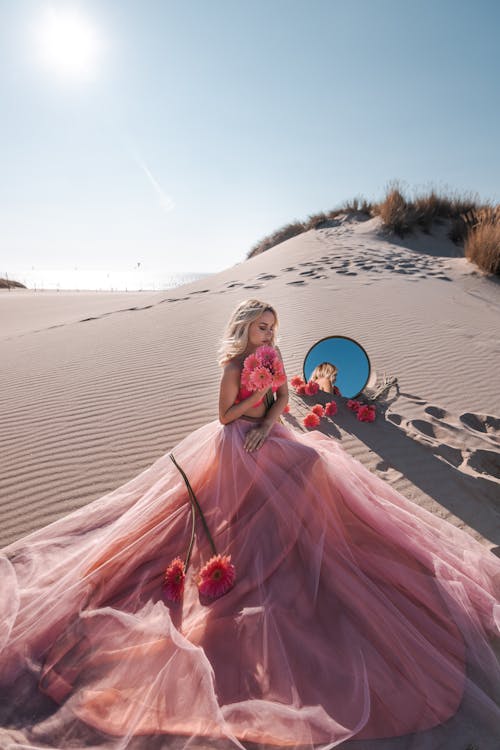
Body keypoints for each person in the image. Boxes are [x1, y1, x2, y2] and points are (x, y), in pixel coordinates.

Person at [1, 298, 499, 750]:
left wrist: (268, 417)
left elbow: (283, 399)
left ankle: (308, 543)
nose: (268, 335)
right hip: (234, 444)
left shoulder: (275, 358)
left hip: (268, 434)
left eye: (273, 328)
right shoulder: (235, 366)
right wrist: (251, 398)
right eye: (261, 327)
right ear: (244, 330)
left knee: (314, 466)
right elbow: (223, 417)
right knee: (240, 515)